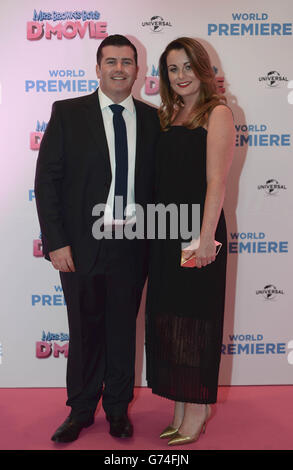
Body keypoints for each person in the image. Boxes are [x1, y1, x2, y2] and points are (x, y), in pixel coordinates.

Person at [35, 34, 159, 443]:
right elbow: (48, 181)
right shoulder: (69, 114)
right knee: (84, 330)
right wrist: (56, 240)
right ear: (98, 67)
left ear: (138, 70)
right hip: (81, 244)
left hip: (133, 243)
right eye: (111, 61)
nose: (120, 68)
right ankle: (82, 410)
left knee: (123, 328)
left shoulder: (152, 118)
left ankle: (119, 409)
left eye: (127, 61)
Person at [145, 37, 235, 446]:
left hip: (196, 234)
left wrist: (204, 238)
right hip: (166, 233)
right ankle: (180, 404)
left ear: (202, 69)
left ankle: (198, 408)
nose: (180, 76)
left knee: (195, 321)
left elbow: (216, 180)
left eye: (186, 67)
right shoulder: (170, 113)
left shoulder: (216, 113)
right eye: (172, 69)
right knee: (169, 322)